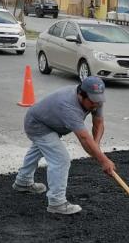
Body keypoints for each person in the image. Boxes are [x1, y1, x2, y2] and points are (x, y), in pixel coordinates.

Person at [13, 77, 116, 215]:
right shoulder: (68, 106)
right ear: (81, 95)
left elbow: (98, 123)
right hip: (37, 124)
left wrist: (96, 147)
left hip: (51, 121)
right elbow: (84, 138)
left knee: (38, 150)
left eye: (98, 101)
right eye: (92, 101)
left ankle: (23, 182)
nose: (96, 105)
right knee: (60, 160)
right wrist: (103, 160)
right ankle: (57, 202)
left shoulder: (95, 99)